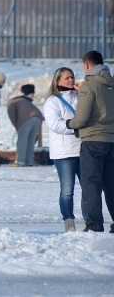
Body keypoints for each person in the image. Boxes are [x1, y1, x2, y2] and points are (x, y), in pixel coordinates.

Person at [66, 50, 114, 232]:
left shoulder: (89, 86)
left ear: (86, 65)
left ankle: (94, 224)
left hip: (93, 140)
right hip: (112, 141)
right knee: (111, 184)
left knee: (91, 184)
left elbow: (81, 118)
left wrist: (70, 123)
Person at [43, 67, 88, 232]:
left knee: (88, 189)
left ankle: (89, 220)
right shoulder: (52, 101)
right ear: (58, 81)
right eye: (67, 78)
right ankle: (69, 221)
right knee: (67, 190)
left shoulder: (79, 96)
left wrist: (84, 93)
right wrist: (76, 127)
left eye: (72, 77)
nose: (71, 80)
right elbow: (55, 124)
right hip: (64, 152)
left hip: (83, 149)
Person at [7, 83, 45, 166]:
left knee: (22, 140)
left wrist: (16, 125)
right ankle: (29, 161)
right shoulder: (27, 102)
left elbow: (11, 113)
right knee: (31, 140)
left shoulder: (13, 101)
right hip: (38, 118)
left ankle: (20, 161)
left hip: (27, 119)